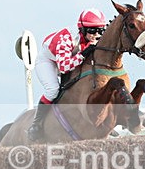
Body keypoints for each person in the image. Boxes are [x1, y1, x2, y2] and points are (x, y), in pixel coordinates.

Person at [27, 8, 107, 141]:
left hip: (69, 58)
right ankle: (37, 124)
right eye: (92, 30)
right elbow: (63, 68)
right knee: (52, 90)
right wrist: (83, 54)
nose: (97, 34)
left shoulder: (93, 37)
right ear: (82, 29)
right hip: (49, 61)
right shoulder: (66, 38)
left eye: (100, 30)